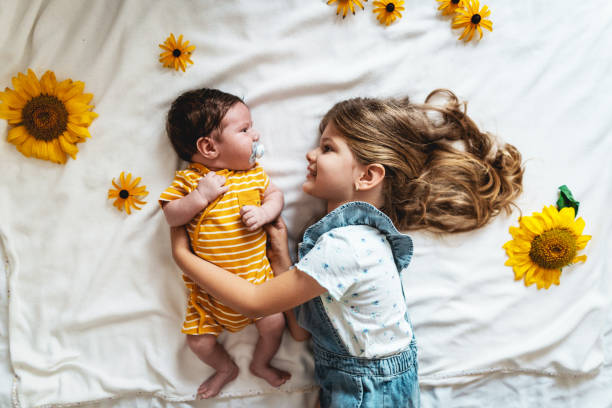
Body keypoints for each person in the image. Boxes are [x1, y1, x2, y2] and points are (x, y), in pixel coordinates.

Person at [170, 89, 524, 407]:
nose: (310, 154)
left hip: (370, 388)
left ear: (367, 177)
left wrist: (183, 256)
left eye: (327, 148)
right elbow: (300, 331)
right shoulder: (333, 242)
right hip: (353, 381)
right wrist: (281, 258)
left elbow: (253, 301)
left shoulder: (348, 247)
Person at [159, 88, 290, 399]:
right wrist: (199, 197)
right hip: (209, 297)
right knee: (198, 342)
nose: (255, 134)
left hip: (258, 284)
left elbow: (276, 196)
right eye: (245, 129)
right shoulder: (190, 181)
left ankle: (260, 364)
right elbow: (170, 216)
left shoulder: (254, 175)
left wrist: (264, 212)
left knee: (274, 324)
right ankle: (225, 368)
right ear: (208, 147)